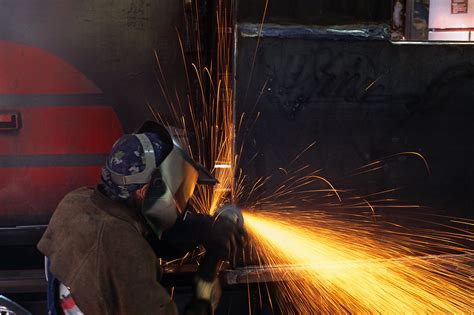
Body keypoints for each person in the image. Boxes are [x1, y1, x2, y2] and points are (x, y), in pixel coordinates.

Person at [37, 121, 246, 315]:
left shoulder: (76, 203)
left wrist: (202, 229)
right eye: (177, 195)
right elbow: (127, 249)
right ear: (146, 191)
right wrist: (209, 272)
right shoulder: (127, 256)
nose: (180, 208)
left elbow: (141, 236)